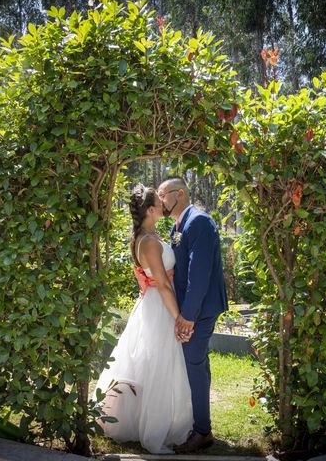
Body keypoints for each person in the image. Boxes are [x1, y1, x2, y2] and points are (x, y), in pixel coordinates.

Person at [93, 185, 193, 454]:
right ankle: (152, 428)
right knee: (157, 365)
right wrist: (179, 319)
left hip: (155, 303)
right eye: (158, 200)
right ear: (150, 210)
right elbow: (161, 284)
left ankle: (145, 419)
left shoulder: (150, 235)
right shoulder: (148, 242)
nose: (163, 202)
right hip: (159, 307)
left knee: (151, 364)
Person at [157, 176, 228, 454]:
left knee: (194, 363)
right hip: (190, 307)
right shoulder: (179, 224)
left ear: (180, 194)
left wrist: (187, 316)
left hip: (200, 308)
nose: (160, 200)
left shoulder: (199, 221)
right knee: (197, 363)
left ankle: (202, 431)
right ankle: (200, 423)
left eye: (163, 195)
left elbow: (199, 275)